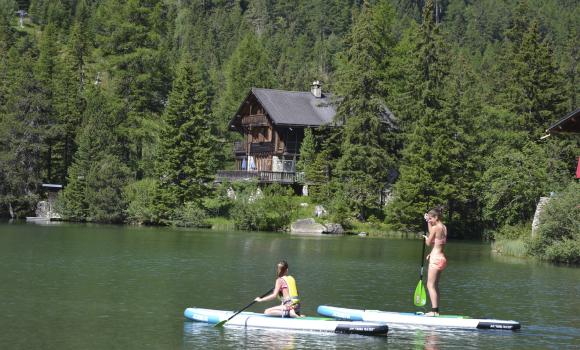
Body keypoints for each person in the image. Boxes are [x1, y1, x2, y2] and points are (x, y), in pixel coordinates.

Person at [422, 207, 448, 317]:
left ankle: (434, 311)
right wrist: (428, 222)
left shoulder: (435, 227)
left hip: (435, 259)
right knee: (435, 286)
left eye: (431, 218)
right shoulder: (444, 227)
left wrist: (425, 237)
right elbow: (436, 242)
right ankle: (436, 310)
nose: (430, 220)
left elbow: (429, 242)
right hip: (442, 258)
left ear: (436, 217)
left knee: (430, 285)